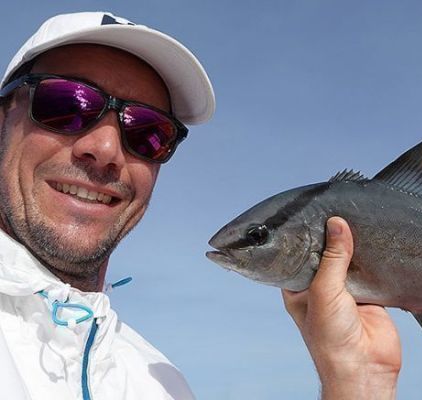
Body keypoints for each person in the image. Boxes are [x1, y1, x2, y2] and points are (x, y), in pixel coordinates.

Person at [0, 11, 401, 400]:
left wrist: (356, 381)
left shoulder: (162, 383)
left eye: (148, 132)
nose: (105, 150)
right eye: (65, 104)